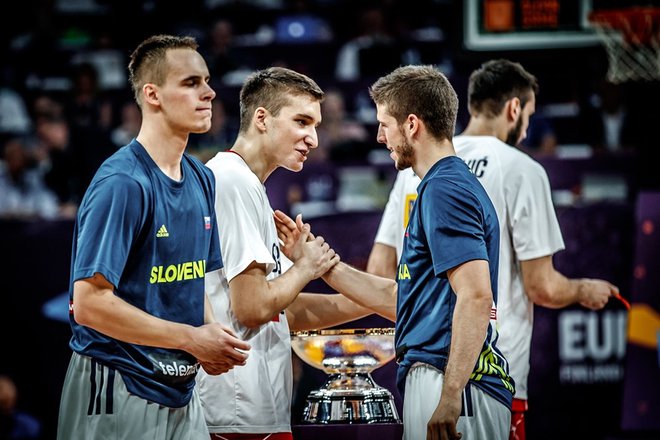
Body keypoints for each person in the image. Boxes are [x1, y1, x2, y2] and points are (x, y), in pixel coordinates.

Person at [366, 59, 619, 440]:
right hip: (479, 370)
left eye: (385, 126)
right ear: (514, 109)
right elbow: (542, 286)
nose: (528, 125)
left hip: (459, 372)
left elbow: (381, 265)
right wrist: (584, 289)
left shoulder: (419, 176)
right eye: (529, 114)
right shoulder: (518, 169)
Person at [275, 64, 514, 440]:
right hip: (446, 377)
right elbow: (400, 298)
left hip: (455, 384)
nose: (379, 136)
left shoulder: (444, 189)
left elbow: (477, 295)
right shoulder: (439, 186)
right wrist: (322, 265)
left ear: (412, 125)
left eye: (385, 124)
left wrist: (450, 396)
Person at [56, 34, 252, 440]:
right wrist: (193, 339)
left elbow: (189, 277)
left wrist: (211, 335)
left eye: (208, 81)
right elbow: (89, 304)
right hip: (116, 382)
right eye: (190, 83)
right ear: (153, 95)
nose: (209, 92)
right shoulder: (123, 182)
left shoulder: (200, 177)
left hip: (180, 387)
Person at [196, 66, 375, 439]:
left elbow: (281, 309)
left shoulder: (247, 184)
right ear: (262, 118)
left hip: (252, 410)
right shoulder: (233, 182)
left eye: (316, 126)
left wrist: (374, 300)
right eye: (301, 121)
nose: (312, 138)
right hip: (235, 413)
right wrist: (305, 267)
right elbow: (254, 308)